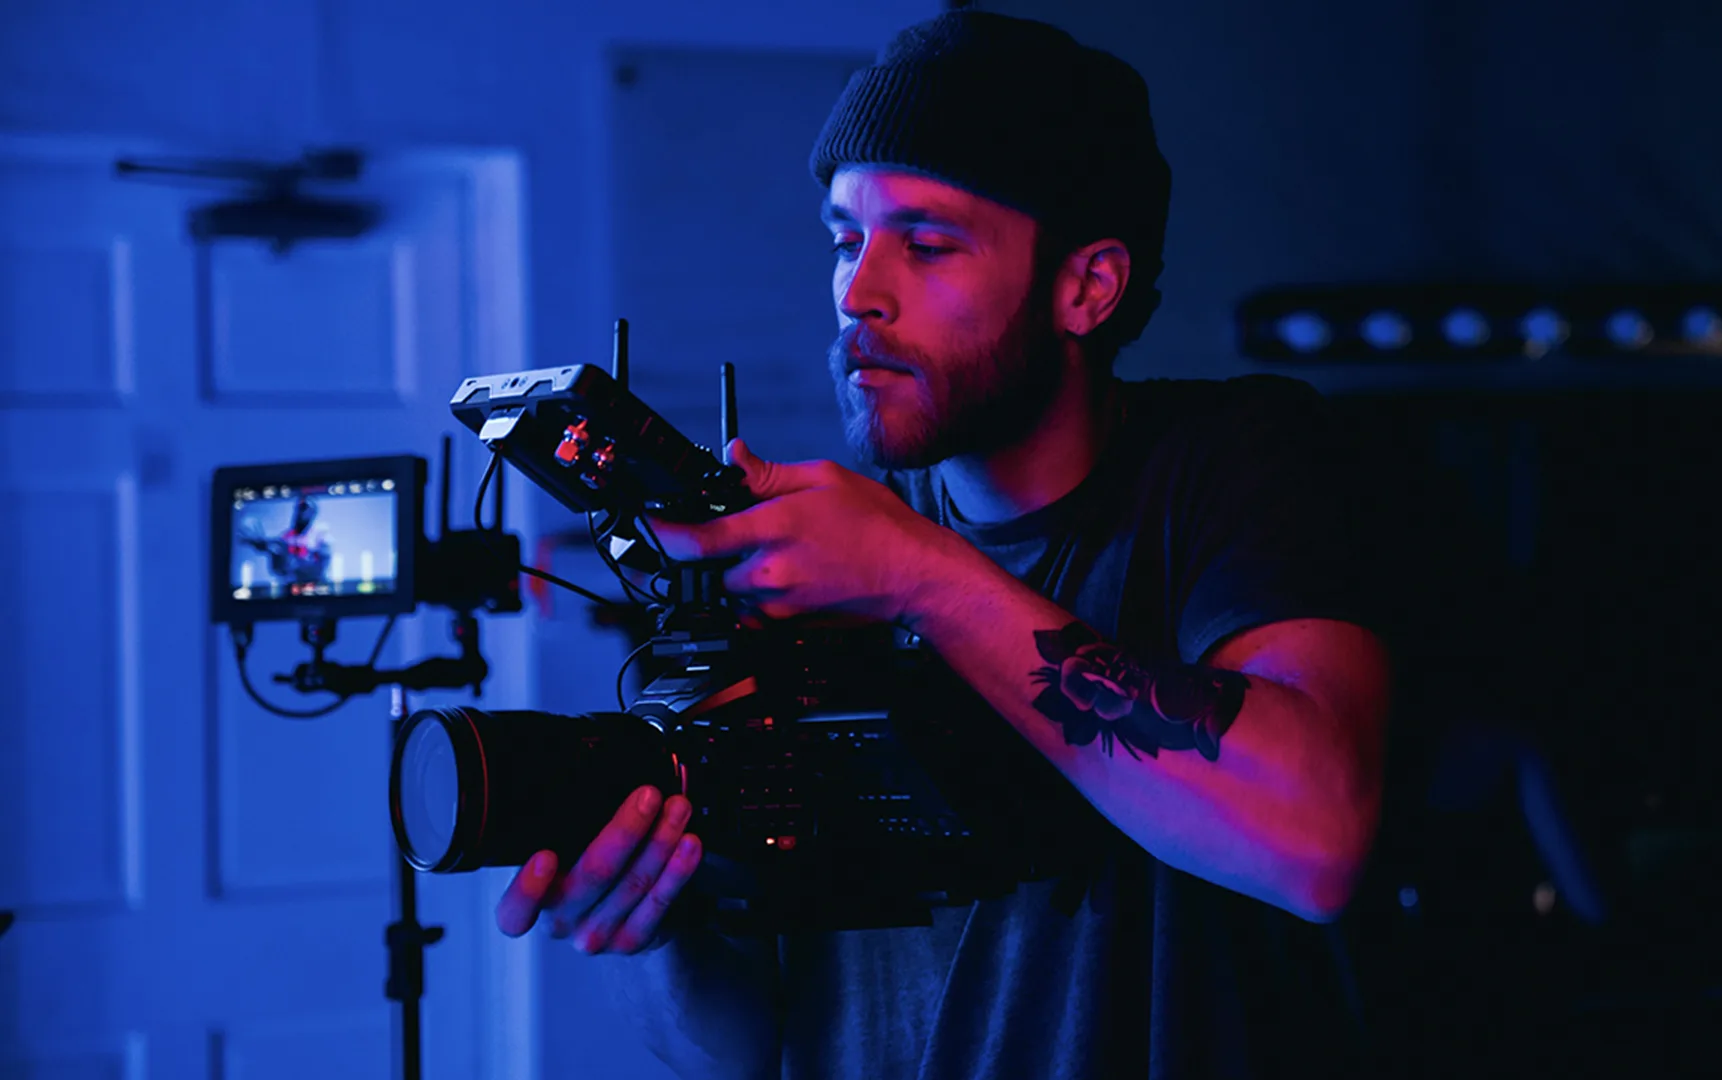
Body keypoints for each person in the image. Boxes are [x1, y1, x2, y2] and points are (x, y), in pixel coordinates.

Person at [496, 11, 1392, 1079]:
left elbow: (1316, 838)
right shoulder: (822, 569)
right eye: (845, 239)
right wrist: (655, 929)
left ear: (1086, 287)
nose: (860, 292)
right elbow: (745, 1049)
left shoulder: (1231, 462)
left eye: (926, 244)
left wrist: (919, 579)